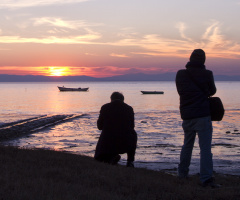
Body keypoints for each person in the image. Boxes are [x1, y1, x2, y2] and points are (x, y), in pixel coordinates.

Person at [175, 49, 220, 188]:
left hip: (187, 115)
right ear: (203, 60)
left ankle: (182, 174)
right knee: (205, 148)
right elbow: (212, 91)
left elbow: (180, 91)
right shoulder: (207, 74)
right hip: (202, 114)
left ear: (190, 58)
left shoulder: (181, 74)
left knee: (187, 145)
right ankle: (206, 178)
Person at [94, 92, 137, 167]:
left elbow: (99, 127)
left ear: (111, 99)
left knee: (105, 133)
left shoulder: (105, 107)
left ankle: (110, 156)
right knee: (133, 133)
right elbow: (132, 126)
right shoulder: (129, 109)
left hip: (108, 143)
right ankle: (130, 161)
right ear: (123, 100)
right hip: (125, 143)